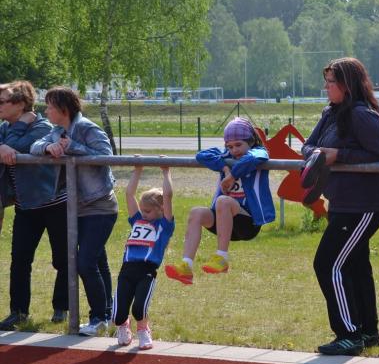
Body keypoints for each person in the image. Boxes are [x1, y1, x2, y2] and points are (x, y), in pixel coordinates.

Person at [302, 57, 379, 356]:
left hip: (364, 205)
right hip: (340, 203)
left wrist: (337, 154)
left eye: (331, 82)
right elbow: (307, 145)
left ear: (347, 84)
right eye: (326, 81)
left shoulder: (362, 115)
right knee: (354, 264)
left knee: (328, 264)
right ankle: (368, 332)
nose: (326, 87)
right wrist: (318, 153)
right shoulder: (330, 113)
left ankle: (349, 334)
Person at [30, 86, 118, 337]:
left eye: (50, 106)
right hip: (77, 207)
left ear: (64, 109)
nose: (46, 111)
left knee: (85, 263)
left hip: (100, 205)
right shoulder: (57, 131)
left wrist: (73, 147)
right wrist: (49, 147)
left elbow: (107, 156)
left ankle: (98, 317)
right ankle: (107, 314)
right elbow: (36, 146)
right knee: (97, 261)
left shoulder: (87, 128)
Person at [165, 117, 274, 284]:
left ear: (251, 141)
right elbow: (202, 155)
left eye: (238, 145)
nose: (234, 150)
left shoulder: (259, 152)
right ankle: (186, 266)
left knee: (223, 201)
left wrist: (232, 175)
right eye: (229, 146)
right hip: (225, 223)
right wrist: (224, 167)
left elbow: (253, 159)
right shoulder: (226, 156)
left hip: (248, 224)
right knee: (196, 213)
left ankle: (222, 258)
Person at [0, 81, 69, 330]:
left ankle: (62, 308)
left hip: (55, 203)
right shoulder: (4, 128)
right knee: (19, 259)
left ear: (20, 104)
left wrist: (7, 143)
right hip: (25, 206)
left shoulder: (41, 127)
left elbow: (22, 149)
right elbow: (6, 150)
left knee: (63, 258)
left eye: (2, 101)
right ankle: (18, 312)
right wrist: (2, 145)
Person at [113, 161, 174, 350]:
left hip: (146, 271)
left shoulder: (164, 226)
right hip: (127, 270)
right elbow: (129, 194)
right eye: (142, 210)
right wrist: (137, 170)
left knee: (139, 308)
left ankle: (143, 329)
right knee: (117, 315)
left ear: (161, 210)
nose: (143, 214)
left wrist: (166, 172)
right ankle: (124, 325)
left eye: (147, 211)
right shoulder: (137, 220)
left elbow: (168, 196)